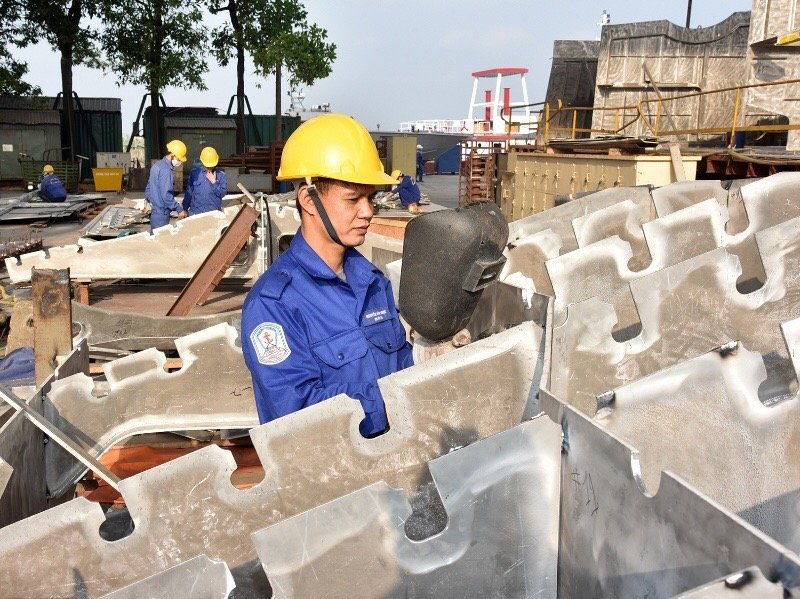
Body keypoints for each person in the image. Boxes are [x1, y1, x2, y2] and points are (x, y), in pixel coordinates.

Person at [241, 113, 413, 437]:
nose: (368, 211)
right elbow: (300, 416)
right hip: (334, 481)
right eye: (353, 199)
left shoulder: (373, 282)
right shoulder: (273, 305)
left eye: (370, 198)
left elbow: (404, 368)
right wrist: (396, 402)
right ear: (309, 200)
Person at [144, 139, 188, 232]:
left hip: (155, 213)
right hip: (161, 215)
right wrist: (179, 209)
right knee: (160, 241)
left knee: (154, 239)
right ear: (172, 155)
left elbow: (148, 190)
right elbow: (166, 195)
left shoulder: (157, 165)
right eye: (179, 159)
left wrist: (154, 202)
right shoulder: (166, 171)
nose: (179, 162)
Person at [184, 146, 227, 216]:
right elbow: (189, 193)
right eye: (207, 165)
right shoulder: (195, 173)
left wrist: (214, 182)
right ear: (202, 162)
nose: (209, 167)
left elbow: (222, 194)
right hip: (195, 213)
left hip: (213, 214)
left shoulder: (221, 175)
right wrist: (184, 209)